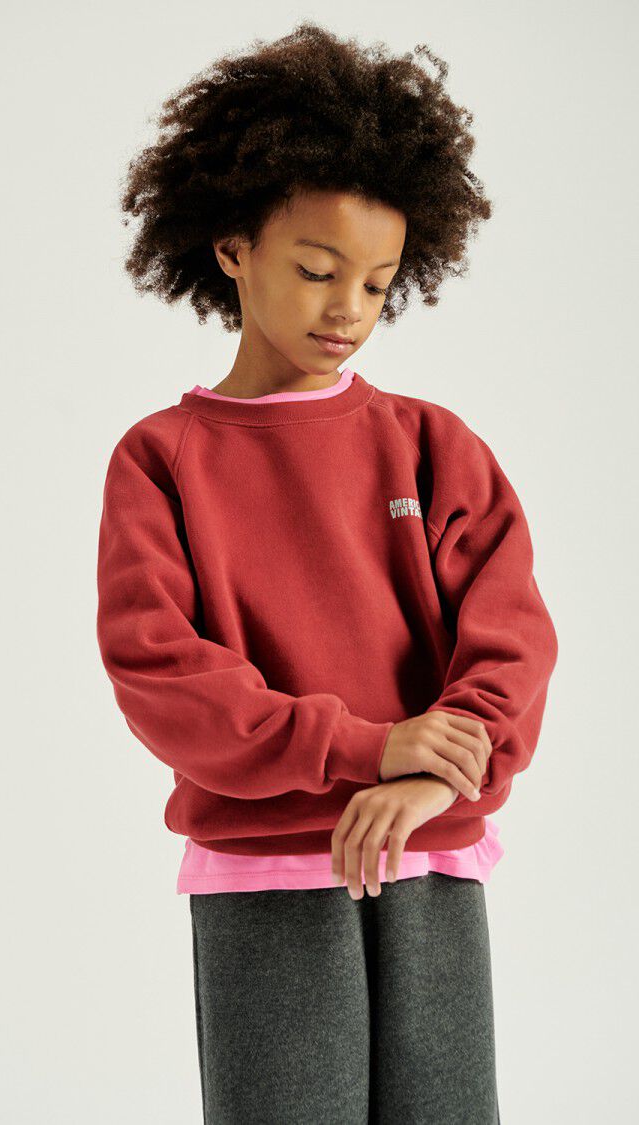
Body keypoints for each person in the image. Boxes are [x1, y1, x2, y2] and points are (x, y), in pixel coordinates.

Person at [96, 22, 558, 1124]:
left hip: (431, 853)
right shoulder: (163, 458)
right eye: (315, 270)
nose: (347, 307)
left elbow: (512, 639)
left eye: (378, 282)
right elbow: (163, 676)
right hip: (265, 871)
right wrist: (365, 747)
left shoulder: (431, 445)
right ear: (231, 248)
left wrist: (437, 775)